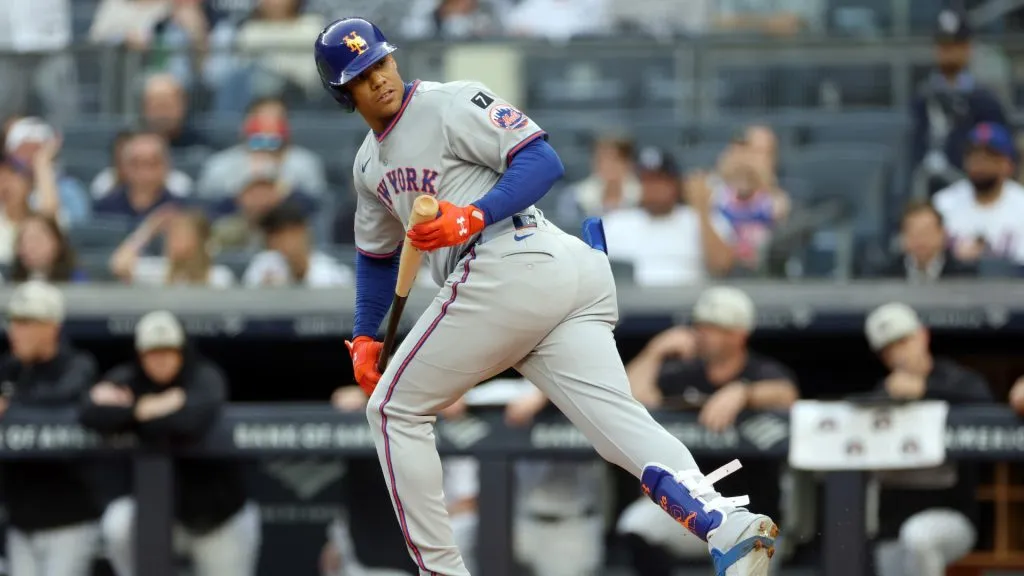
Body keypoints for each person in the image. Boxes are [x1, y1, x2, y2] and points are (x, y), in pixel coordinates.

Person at [315, 17, 777, 576]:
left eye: (382, 63)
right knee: (618, 429)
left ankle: (441, 572)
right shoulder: (369, 165)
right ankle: (724, 524)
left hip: (512, 258)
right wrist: (367, 335)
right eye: (363, 76)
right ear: (344, 93)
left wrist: (474, 214)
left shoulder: (451, 102)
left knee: (391, 410)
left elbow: (541, 160)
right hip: (545, 281)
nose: (380, 79)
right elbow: (375, 256)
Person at [620, 286, 798, 576]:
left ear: (738, 334)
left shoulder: (760, 371)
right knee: (637, 523)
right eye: (700, 326)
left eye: (714, 328)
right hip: (693, 507)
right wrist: (655, 351)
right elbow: (629, 396)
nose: (702, 334)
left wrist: (743, 392)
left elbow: (786, 393)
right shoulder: (684, 372)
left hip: (751, 515)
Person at [80, 310, 260, 576]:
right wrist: (143, 409)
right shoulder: (130, 378)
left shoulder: (204, 376)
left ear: (182, 351)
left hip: (219, 519)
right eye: (152, 353)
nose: (160, 360)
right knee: (119, 522)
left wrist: (130, 414)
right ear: (141, 356)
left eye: (168, 351)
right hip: (162, 516)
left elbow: (189, 422)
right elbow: (89, 413)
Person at [863, 303, 992, 576]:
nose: (898, 353)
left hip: (952, 517)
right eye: (888, 348)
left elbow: (986, 406)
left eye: (903, 341)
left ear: (923, 335)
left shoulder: (956, 380)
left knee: (919, 536)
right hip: (890, 527)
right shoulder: (882, 394)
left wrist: (926, 391)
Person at [0, 281, 102, 576]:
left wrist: (13, 406)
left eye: (26, 323)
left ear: (51, 327)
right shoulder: (10, 368)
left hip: (69, 519)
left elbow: (63, 399)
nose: (14, 331)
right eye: (13, 322)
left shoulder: (77, 364)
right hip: (20, 522)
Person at [603, 146, 736, 285]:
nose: (653, 188)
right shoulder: (616, 223)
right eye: (647, 181)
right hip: (630, 304)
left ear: (676, 184)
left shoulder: (701, 220)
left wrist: (702, 210)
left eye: (660, 181)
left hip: (689, 301)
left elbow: (722, 267)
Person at [910, 8, 1008, 195]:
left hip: (972, 191)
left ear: (968, 48)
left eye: (955, 45)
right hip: (927, 189)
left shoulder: (985, 100)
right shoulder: (921, 97)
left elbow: (1001, 152)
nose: (949, 52)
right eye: (943, 46)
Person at [932, 123, 1024, 266]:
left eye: (989, 157)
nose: (979, 164)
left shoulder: (1021, 204)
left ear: (1008, 164)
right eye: (973, 156)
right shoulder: (943, 203)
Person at [109, 207, 236, 287]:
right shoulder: (157, 272)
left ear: (199, 240)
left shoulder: (219, 277)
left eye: (181, 234)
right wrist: (149, 228)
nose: (172, 240)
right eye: (171, 234)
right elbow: (119, 265)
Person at [242, 203, 351, 287]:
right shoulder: (261, 265)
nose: (280, 241)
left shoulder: (333, 274)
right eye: (273, 235)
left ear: (304, 232)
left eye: (288, 232)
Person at [872, 200, 976, 281]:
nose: (921, 239)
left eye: (926, 232)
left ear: (942, 233)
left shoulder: (965, 276)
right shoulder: (886, 276)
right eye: (914, 232)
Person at [93, 131, 182, 225]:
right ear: (124, 166)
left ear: (166, 166)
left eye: (153, 164)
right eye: (136, 164)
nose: (145, 172)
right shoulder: (103, 210)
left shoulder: (181, 211)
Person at [10, 214, 85, 283]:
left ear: (56, 242)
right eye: (23, 241)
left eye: (36, 239)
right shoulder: (9, 280)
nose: (28, 247)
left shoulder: (77, 280)